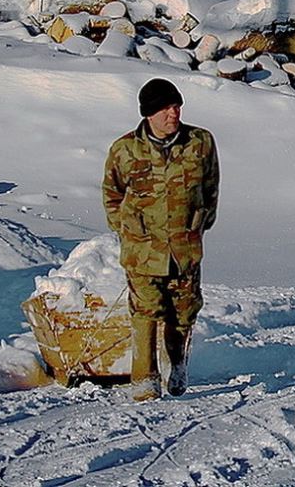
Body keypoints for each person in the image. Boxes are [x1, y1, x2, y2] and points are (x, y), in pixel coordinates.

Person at [103, 78, 220, 401]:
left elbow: (211, 189)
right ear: (150, 113)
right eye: (167, 108)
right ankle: (144, 381)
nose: (174, 113)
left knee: (183, 313)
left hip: (184, 248)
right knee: (145, 311)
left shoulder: (200, 142)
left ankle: (177, 364)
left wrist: (199, 223)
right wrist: (127, 230)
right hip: (142, 250)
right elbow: (112, 195)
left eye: (177, 106)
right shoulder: (124, 150)